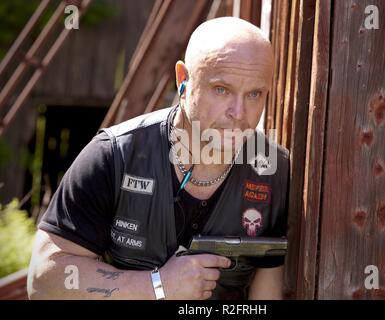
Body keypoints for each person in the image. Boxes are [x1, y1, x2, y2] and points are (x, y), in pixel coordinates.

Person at [27, 16, 289, 300]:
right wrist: (159, 285)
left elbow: (266, 294)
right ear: (183, 79)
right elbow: (44, 280)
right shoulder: (114, 155)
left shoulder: (273, 173)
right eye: (221, 89)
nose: (239, 113)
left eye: (254, 94)